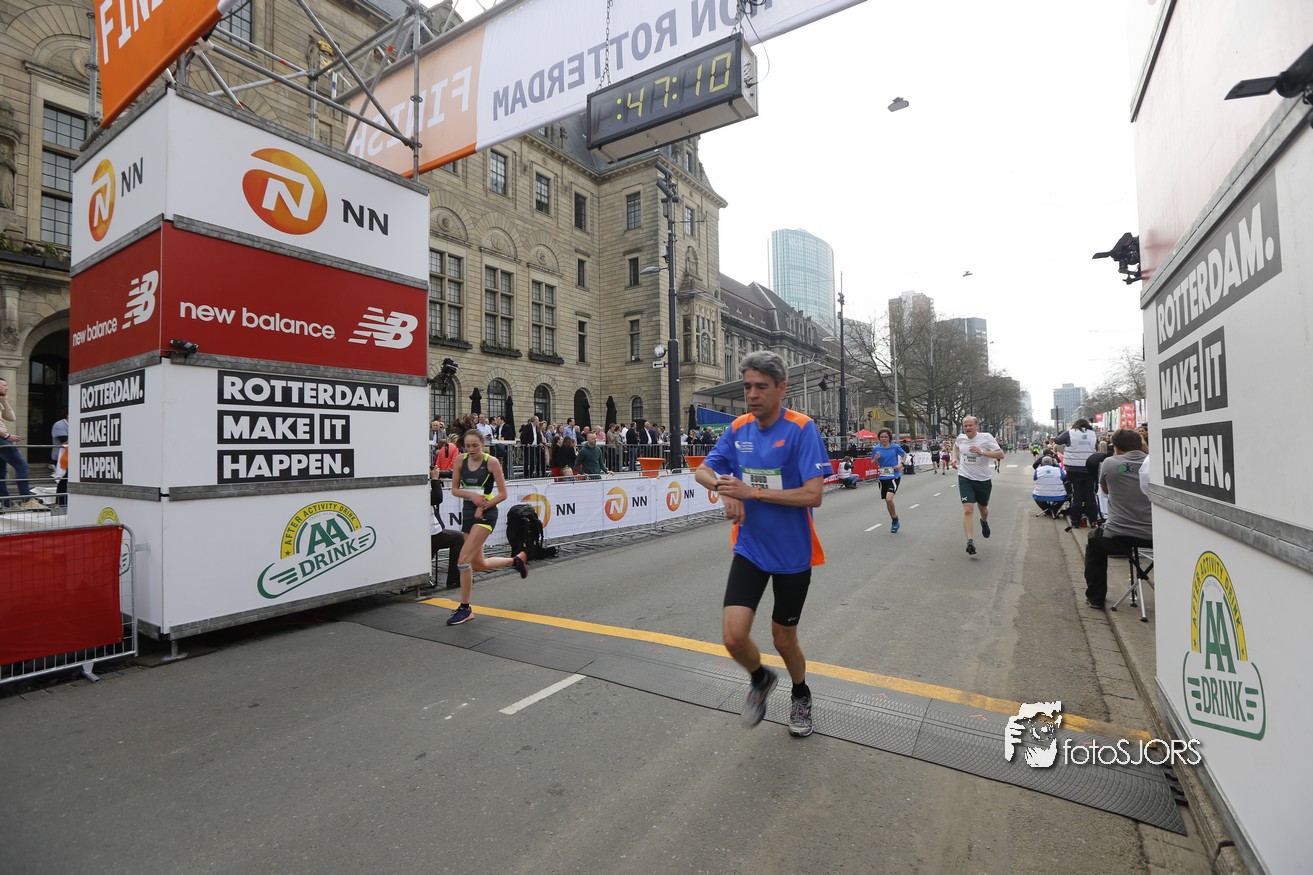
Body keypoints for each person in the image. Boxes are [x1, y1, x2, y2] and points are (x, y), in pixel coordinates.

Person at [694, 350, 829, 739]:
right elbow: (703, 470)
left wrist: (751, 493)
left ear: (781, 388)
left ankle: (801, 693)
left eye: (761, 387)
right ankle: (761, 678)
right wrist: (723, 488)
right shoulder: (739, 428)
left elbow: (813, 495)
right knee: (733, 637)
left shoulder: (801, 428)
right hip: (750, 549)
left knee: (783, 640)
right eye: (747, 386)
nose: (752, 394)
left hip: (792, 555)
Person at [447, 429, 528, 625]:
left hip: (487, 513)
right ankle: (516, 561)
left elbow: (503, 494)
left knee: (463, 560)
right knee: (478, 564)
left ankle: (465, 608)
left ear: (483, 444)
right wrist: (472, 496)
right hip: (469, 512)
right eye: (468, 446)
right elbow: (455, 490)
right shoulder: (459, 461)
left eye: (475, 445)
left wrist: (483, 506)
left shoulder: (491, 462)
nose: (471, 449)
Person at [1084, 429, 1153, 609]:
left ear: (1117, 448)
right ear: (1141, 444)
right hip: (1154, 537)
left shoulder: (1109, 463)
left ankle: (1095, 598)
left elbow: (1105, 491)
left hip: (1118, 536)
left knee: (1093, 543)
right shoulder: (1155, 463)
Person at [952, 415, 1004, 555]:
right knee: (968, 509)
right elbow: (956, 447)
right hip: (965, 477)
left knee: (983, 509)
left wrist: (981, 452)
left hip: (983, 479)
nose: (968, 428)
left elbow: (1001, 454)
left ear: (977, 426)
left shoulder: (986, 437)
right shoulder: (961, 438)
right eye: (965, 425)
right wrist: (954, 459)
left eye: (970, 425)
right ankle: (970, 541)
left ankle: (984, 521)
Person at [0, 378, 47, 512]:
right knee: (22, 465)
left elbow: (11, 418)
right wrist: (7, 436)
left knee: (1, 472)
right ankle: (26, 500)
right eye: (4, 385)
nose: (7, 388)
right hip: (2, 439)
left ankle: (6, 503)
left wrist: (4, 401)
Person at [1055, 418, 1099, 531]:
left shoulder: (1070, 433)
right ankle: (1093, 520)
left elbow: (1057, 440)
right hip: (1089, 468)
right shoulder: (1093, 434)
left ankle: (1075, 521)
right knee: (1090, 495)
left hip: (1074, 469)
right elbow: (1096, 447)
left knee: (1076, 496)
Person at [870, 428, 906, 531]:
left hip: (894, 476)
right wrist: (876, 458)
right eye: (882, 437)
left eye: (885, 437)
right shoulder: (876, 449)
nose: (884, 439)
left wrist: (901, 465)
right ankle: (894, 520)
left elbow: (904, 455)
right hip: (882, 477)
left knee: (889, 498)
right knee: (887, 500)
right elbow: (873, 463)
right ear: (879, 438)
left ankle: (895, 519)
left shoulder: (895, 447)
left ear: (889, 437)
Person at [51, 410, 69, 509]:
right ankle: (61, 503)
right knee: (63, 480)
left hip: (71, 458)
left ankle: (65, 503)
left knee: (67, 480)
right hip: (61, 458)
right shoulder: (59, 425)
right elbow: (65, 441)